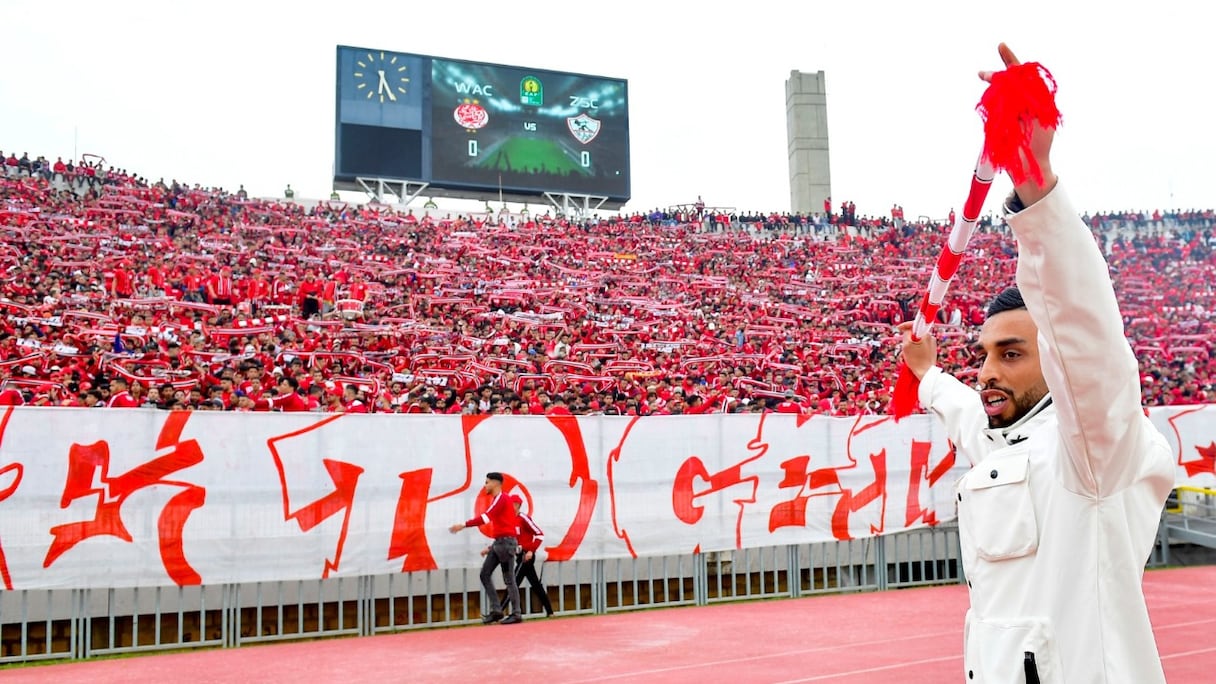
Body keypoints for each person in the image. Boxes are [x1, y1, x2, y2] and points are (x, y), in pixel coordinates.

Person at [896, 44, 1174, 683]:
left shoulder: (1095, 452)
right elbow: (970, 411)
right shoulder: (1000, 442)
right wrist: (929, 375)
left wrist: (1034, 185)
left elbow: (1087, 335)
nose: (988, 371)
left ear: (1058, 363)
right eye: (986, 354)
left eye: (1012, 354)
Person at [449, 472, 523, 625]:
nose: (485, 485)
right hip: (500, 543)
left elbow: (486, 517)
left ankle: (516, 613)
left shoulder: (501, 499)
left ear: (496, 483)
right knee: (485, 574)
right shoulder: (499, 499)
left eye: (487, 482)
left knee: (509, 579)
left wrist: (463, 525)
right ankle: (497, 610)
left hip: (505, 543)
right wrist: (491, 547)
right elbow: (502, 525)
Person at [500, 495, 555, 618]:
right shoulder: (508, 520)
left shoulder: (524, 518)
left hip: (526, 556)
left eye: (513, 504)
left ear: (518, 505)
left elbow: (539, 534)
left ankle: (498, 611)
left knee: (512, 582)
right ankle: (550, 611)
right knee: (535, 584)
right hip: (519, 555)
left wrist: (531, 550)